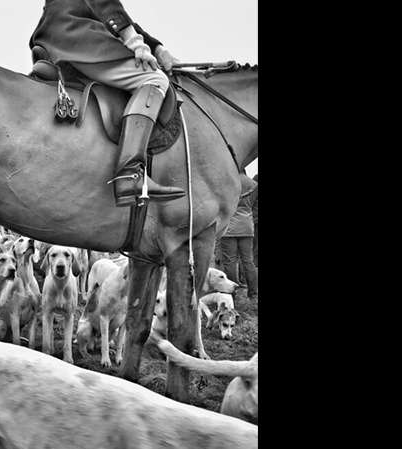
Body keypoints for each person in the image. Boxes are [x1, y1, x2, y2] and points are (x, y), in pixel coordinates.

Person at [30, 0, 186, 207]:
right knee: (155, 79)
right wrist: (136, 44)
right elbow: (105, 3)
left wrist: (157, 48)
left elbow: (108, 13)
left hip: (58, 35)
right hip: (76, 36)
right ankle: (130, 174)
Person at [220, 173, 258, 299]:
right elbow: (252, 205)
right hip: (247, 226)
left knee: (230, 262)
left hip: (229, 226)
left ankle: (232, 293)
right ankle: (253, 293)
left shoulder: (227, 180)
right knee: (248, 260)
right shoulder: (253, 184)